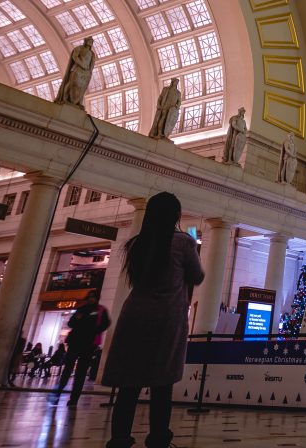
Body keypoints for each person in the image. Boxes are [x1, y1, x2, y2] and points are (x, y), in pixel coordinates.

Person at [102, 192, 204, 448]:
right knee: (162, 384)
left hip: (134, 315)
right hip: (166, 318)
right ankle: (158, 437)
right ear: (176, 215)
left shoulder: (137, 243)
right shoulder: (183, 242)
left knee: (129, 385)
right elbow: (197, 275)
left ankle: (119, 439)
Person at [55, 290, 111, 406]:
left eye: (93, 297)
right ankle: (57, 394)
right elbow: (71, 323)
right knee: (67, 370)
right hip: (75, 342)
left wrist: (95, 331)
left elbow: (105, 324)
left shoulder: (100, 310)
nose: (91, 299)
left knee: (80, 373)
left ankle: (74, 399)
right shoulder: (81, 309)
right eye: (89, 297)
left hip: (88, 345)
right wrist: (78, 320)